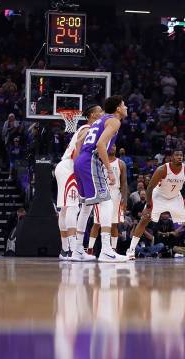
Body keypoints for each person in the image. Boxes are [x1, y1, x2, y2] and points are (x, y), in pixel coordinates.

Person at [125, 148, 185, 261]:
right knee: (144, 219)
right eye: (177, 155)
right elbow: (150, 187)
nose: (179, 157)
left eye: (181, 155)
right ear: (171, 157)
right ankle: (131, 249)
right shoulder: (162, 169)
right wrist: (149, 205)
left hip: (175, 197)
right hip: (159, 196)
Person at [72, 96, 128, 262]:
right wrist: (110, 171)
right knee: (106, 202)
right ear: (118, 108)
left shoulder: (99, 120)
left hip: (81, 161)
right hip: (90, 161)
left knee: (86, 207)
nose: (126, 108)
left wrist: (80, 162)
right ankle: (106, 250)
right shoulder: (114, 121)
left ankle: (77, 251)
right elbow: (100, 145)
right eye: (124, 105)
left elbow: (80, 142)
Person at [55, 104, 103, 260]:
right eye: (100, 111)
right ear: (92, 115)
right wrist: (78, 169)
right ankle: (74, 249)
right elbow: (77, 146)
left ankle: (65, 250)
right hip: (70, 167)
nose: (102, 113)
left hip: (65, 166)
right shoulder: (88, 128)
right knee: (73, 207)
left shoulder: (88, 128)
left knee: (65, 209)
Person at [87, 145, 128, 255]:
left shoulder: (121, 163)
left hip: (115, 193)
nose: (113, 147)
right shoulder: (99, 161)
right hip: (101, 192)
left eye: (115, 145)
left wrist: (125, 199)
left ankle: (113, 249)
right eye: (111, 145)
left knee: (114, 224)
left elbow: (124, 183)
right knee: (97, 223)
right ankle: (90, 249)